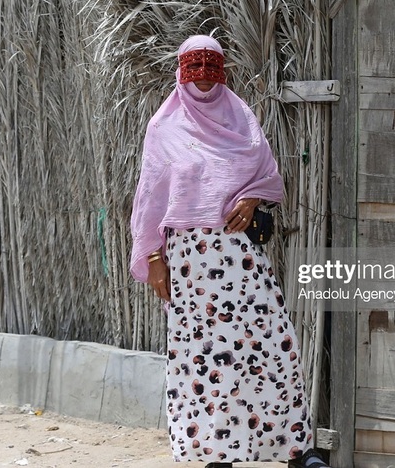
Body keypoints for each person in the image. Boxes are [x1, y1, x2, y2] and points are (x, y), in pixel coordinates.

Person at [129, 35, 329, 468]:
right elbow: (149, 198)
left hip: (240, 255)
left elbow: (266, 174)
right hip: (189, 261)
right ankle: (216, 452)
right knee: (203, 356)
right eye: (194, 66)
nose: (203, 77)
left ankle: (295, 448)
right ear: (181, 70)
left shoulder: (242, 118)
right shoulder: (163, 128)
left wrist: (253, 199)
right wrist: (153, 258)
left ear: (224, 69)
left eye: (211, 66)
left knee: (270, 343)